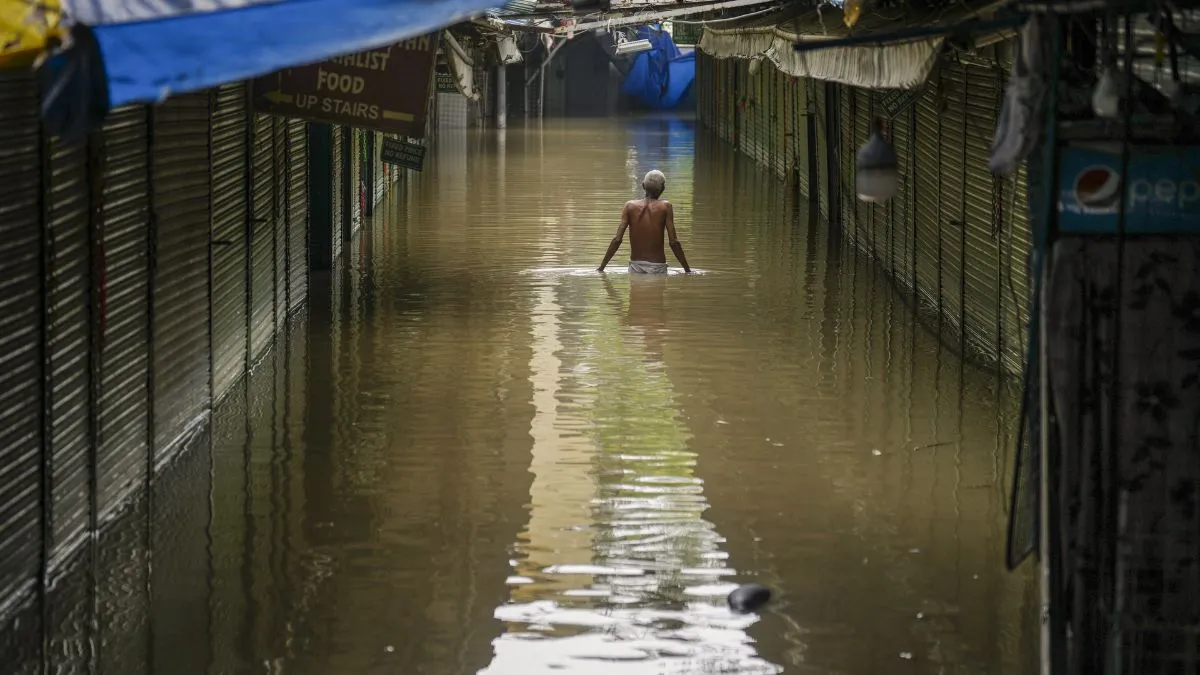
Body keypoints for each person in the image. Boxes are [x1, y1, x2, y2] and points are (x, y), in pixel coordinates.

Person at [597, 169, 691, 274]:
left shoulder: (629, 206)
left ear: (643, 185)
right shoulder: (665, 207)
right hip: (657, 267)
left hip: (635, 266)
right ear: (663, 189)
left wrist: (601, 268)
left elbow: (617, 240)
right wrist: (687, 270)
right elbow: (673, 242)